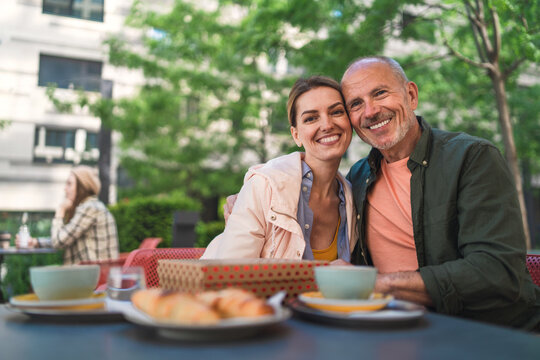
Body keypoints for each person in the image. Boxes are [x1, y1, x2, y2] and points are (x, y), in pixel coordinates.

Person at [341, 56, 540, 330]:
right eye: (356, 104)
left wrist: (377, 284)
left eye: (380, 93)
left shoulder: (473, 158)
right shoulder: (358, 177)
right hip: (393, 330)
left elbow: (497, 271)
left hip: (489, 333)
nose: (371, 111)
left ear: (411, 95)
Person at [202, 75, 357, 261]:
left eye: (336, 112)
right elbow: (232, 274)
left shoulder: (352, 199)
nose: (327, 125)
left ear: (350, 122)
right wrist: (323, 273)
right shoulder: (264, 187)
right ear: (296, 135)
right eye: (311, 118)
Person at [18, 166, 119, 265]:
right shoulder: (91, 207)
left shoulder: (89, 208)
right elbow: (66, 237)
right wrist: (35, 242)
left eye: (69, 184)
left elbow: (58, 241)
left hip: (94, 277)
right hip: (92, 274)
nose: (65, 189)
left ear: (82, 186)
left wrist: (60, 212)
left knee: (39, 277)